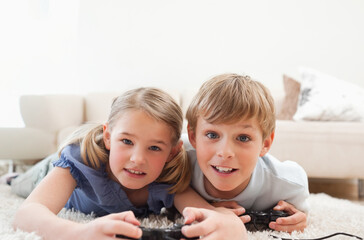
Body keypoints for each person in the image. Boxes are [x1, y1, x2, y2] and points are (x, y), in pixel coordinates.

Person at [12, 87, 248, 240]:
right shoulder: (80, 160)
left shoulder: (167, 177)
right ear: (108, 137)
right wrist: (80, 233)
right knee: (19, 184)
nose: (137, 159)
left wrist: (231, 225)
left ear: (172, 152)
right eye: (126, 141)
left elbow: (209, 215)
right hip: (47, 169)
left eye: (154, 148)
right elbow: (27, 214)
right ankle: (12, 175)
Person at [184, 73, 310, 233]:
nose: (225, 152)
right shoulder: (179, 156)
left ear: (265, 143)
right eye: (212, 135)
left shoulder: (285, 183)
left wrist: (300, 216)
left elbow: (298, 188)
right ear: (193, 136)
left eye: (243, 138)